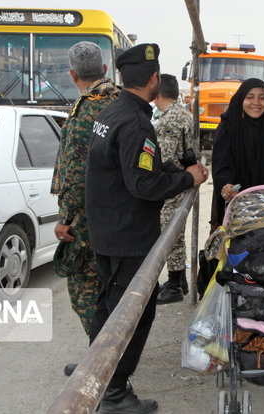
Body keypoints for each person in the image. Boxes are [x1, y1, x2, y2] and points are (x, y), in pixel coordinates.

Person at [85, 43, 208, 414]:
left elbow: (144, 171)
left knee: (109, 305)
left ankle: (95, 372)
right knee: (134, 313)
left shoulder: (110, 112)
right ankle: (115, 391)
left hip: (106, 231)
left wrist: (180, 173)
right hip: (127, 236)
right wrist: (187, 179)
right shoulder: (137, 123)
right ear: (154, 79)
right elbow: (144, 185)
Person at [50, 41, 119, 372]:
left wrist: (65, 219)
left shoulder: (84, 111)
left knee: (84, 293)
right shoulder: (119, 102)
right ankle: (105, 359)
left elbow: (76, 175)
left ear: (72, 74)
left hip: (88, 220)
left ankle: (102, 366)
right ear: (104, 70)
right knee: (108, 289)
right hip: (117, 217)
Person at [210, 78, 264, 229]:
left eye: (262, 98)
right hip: (236, 206)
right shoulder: (228, 127)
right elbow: (222, 163)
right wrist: (226, 185)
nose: (256, 102)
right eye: (250, 97)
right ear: (241, 99)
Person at [152, 74, 194, 304]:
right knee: (175, 235)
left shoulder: (169, 120)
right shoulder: (182, 112)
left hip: (173, 185)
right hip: (181, 182)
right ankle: (179, 280)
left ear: (157, 94)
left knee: (170, 236)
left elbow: (165, 157)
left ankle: (175, 286)